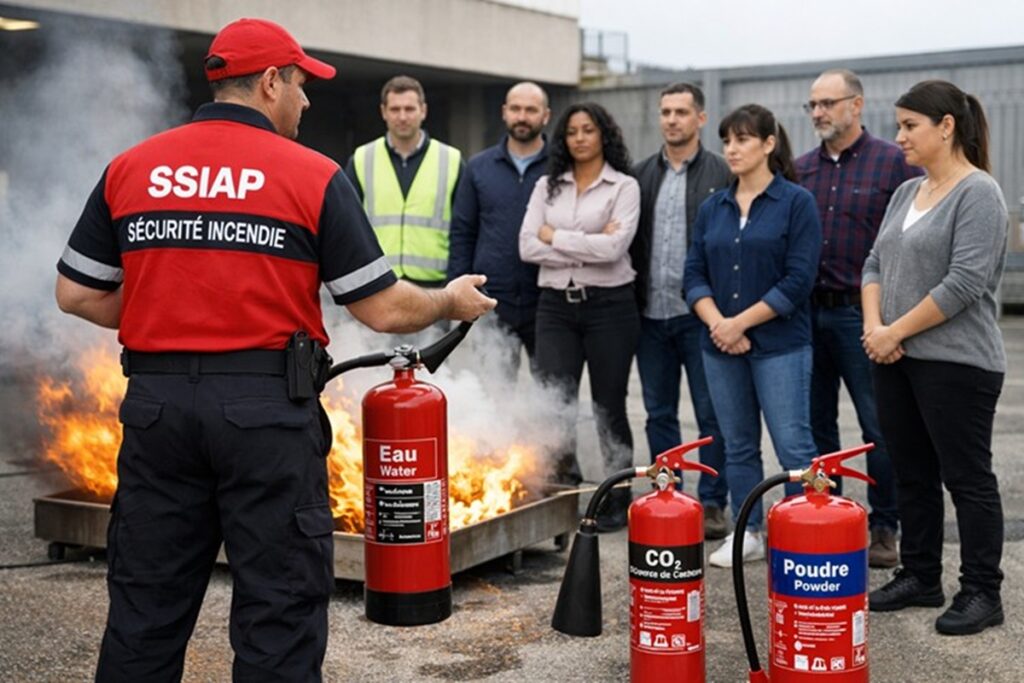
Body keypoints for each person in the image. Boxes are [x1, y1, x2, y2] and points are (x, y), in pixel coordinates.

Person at [54, 18, 495, 681]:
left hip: (157, 413)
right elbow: (381, 308)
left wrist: (166, 305)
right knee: (279, 613)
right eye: (299, 84)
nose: (306, 100)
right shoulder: (311, 173)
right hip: (264, 417)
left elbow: (75, 292)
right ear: (268, 83)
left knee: (145, 610)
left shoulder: (132, 166)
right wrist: (448, 301)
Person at [863, 80, 1007, 636]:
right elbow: (874, 264)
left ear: (946, 126)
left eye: (909, 126)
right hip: (894, 357)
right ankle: (921, 576)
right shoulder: (907, 192)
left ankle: (982, 591)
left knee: (967, 478)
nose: (899, 136)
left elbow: (964, 282)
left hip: (957, 363)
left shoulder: (979, 193)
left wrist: (894, 330)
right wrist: (876, 330)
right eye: (898, 125)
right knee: (912, 474)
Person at [683, 104, 822, 568]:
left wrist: (738, 323)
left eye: (742, 139)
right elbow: (693, 274)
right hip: (720, 346)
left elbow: (798, 280)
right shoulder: (713, 207)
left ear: (768, 144)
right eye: (727, 140)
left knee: (793, 445)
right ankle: (748, 533)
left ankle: (805, 533)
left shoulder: (796, 203)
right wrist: (719, 324)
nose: (732, 149)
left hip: (781, 346)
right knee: (737, 445)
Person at [795, 69, 921, 568]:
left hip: (863, 316)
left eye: (828, 103)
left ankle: (884, 528)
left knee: (879, 427)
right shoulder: (801, 170)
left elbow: (911, 240)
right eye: (813, 105)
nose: (818, 112)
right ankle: (828, 521)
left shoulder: (893, 163)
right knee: (817, 428)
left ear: (857, 105)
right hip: (808, 315)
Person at [519, 102, 640, 531]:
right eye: (572, 132)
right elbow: (527, 246)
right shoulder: (546, 186)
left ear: (604, 134)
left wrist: (555, 236)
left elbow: (615, 250)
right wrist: (588, 241)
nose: (580, 138)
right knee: (557, 404)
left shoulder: (624, 186)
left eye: (589, 130)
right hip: (555, 307)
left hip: (610, 308)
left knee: (609, 405)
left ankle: (617, 496)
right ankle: (561, 493)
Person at [630, 82, 732, 540]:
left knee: (711, 415)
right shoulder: (640, 175)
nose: (672, 120)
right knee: (658, 413)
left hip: (701, 316)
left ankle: (712, 504)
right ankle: (667, 496)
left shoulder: (721, 172)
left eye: (681, 112)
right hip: (650, 315)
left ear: (701, 118)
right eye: (666, 112)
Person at [448, 82, 550, 375]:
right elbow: (463, 232)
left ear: (546, 116)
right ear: (504, 112)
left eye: (531, 110)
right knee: (494, 393)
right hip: (491, 301)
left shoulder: (561, 166)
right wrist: (459, 292)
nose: (522, 116)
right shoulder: (479, 167)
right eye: (515, 109)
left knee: (552, 392)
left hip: (547, 303)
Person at [345, 75, 463, 287]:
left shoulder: (451, 160)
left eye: (409, 109)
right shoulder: (362, 159)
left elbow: (463, 230)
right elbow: (348, 226)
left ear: (423, 111)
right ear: (383, 112)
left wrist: (454, 281)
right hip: (378, 282)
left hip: (435, 285)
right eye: (395, 109)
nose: (402, 117)